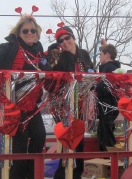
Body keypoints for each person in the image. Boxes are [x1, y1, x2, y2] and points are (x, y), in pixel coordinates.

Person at [0, 13, 51, 179]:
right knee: (19, 142)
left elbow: (50, 71)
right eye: (25, 31)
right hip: (13, 105)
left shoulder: (39, 52)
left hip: (32, 104)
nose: (29, 33)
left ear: (37, 33)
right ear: (19, 33)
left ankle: (30, 174)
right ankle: (16, 176)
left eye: (33, 30)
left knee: (40, 136)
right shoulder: (8, 47)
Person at [51, 26, 94, 179]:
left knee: (79, 139)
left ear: (73, 38)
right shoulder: (61, 58)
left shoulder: (84, 55)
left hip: (82, 102)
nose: (64, 42)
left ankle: (77, 173)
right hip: (65, 104)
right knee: (66, 139)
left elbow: (92, 73)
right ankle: (62, 174)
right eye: (60, 41)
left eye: (67, 38)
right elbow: (56, 80)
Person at [96, 42, 120, 151]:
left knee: (106, 136)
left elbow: (104, 87)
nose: (99, 56)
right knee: (103, 133)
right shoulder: (111, 68)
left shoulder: (109, 68)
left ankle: (109, 160)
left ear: (107, 55)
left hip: (107, 107)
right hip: (108, 107)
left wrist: (94, 86)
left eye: (101, 54)